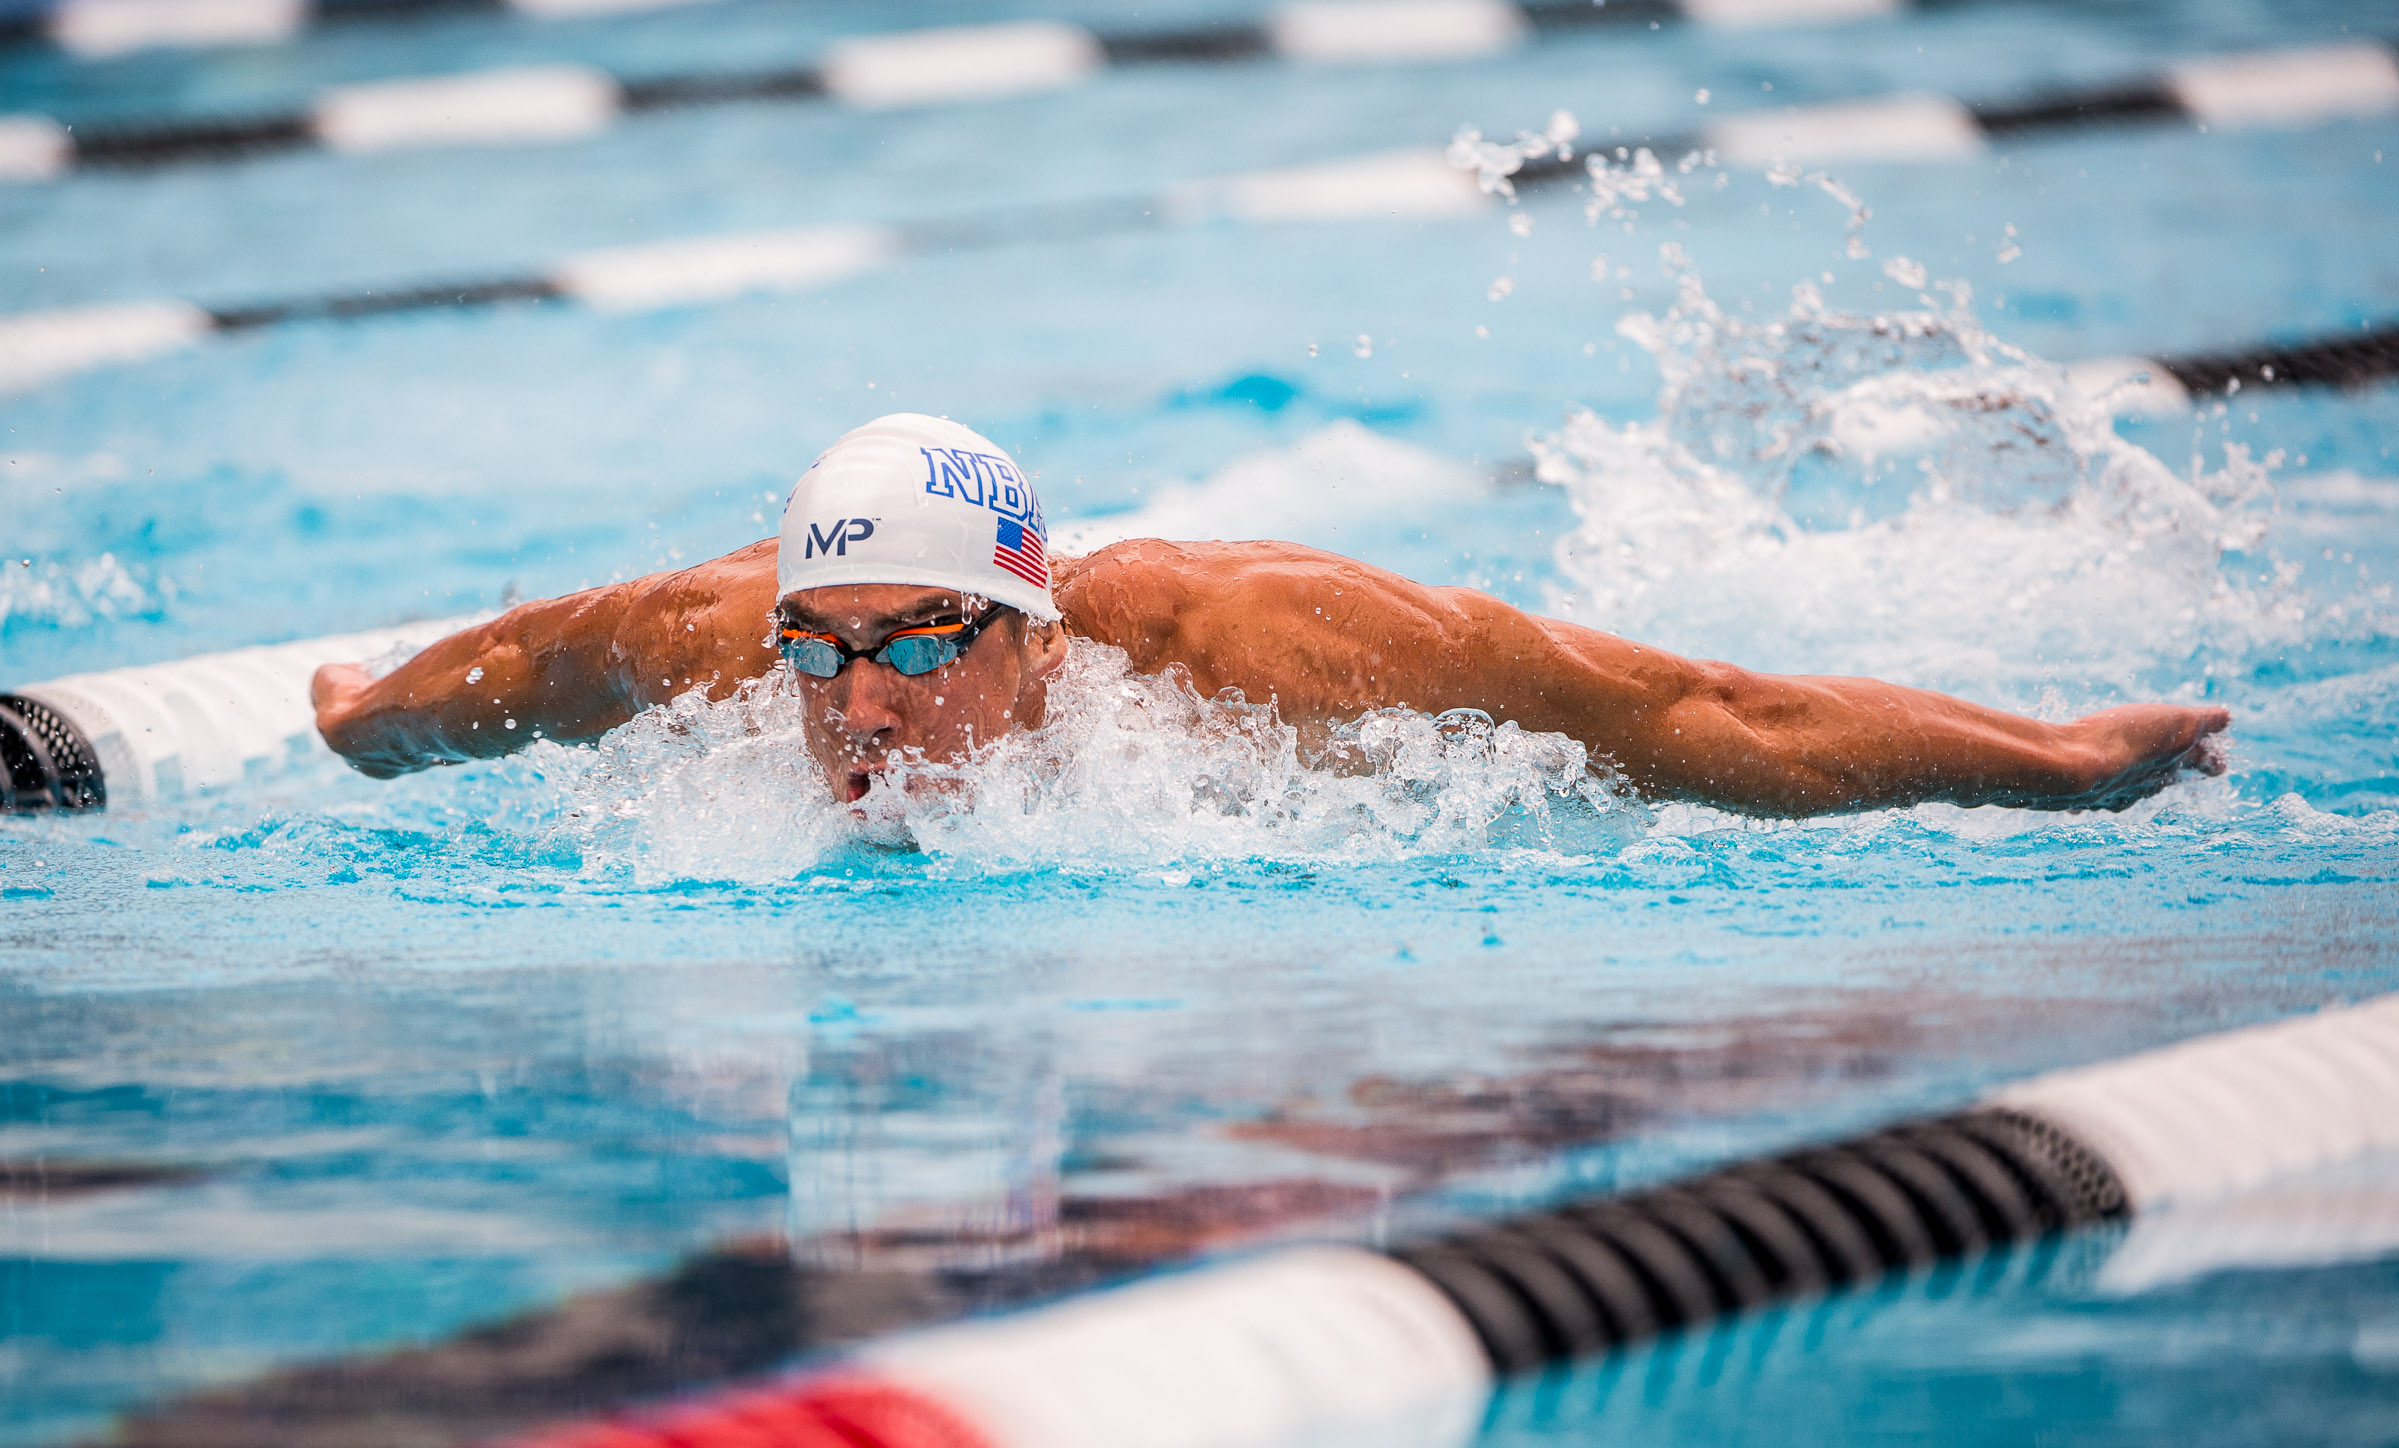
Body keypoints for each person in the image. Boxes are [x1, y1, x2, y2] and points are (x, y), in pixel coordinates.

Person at [312, 413, 2228, 817]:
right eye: (822, 653)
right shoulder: (737, 633)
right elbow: (529, 662)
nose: (853, 711)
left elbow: (1704, 714)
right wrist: (354, 713)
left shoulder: (1252, 648)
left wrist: (2052, 763)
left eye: (912, 649)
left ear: (1030, 635)